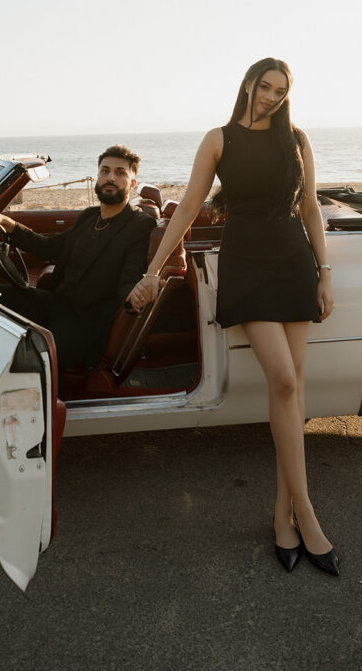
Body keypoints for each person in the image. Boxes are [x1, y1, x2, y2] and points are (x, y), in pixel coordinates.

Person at [127, 58, 337, 576]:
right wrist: (152, 271)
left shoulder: (298, 139)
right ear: (247, 84)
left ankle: (282, 516)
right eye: (264, 87)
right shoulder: (219, 140)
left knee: (295, 391)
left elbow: (309, 207)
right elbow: (189, 206)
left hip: (293, 262)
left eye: (280, 91)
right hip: (246, 264)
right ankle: (306, 512)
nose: (270, 97)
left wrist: (325, 272)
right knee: (284, 381)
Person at [0, 145, 156, 373]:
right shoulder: (89, 216)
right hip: (57, 303)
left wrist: (133, 297)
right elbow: (50, 247)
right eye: (105, 171)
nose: (110, 178)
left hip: (87, 324)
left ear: (132, 183)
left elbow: (130, 277)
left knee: (28, 358)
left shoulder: (140, 225)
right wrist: (7, 223)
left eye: (120, 173)